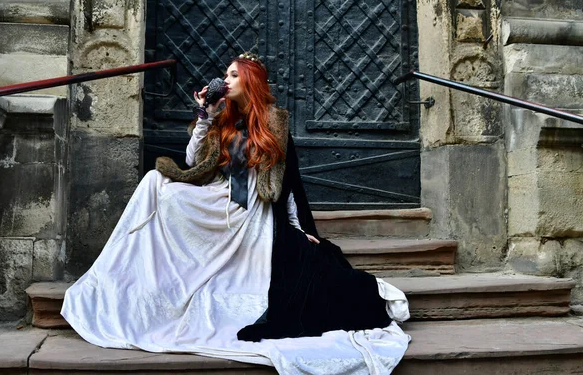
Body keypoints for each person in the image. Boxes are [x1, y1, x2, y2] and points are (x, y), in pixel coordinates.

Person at [61, 52, 411, 374]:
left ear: (250, 80)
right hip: (217, 198)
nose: (225, 80)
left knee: (312, 269)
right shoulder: (221, 119)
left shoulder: (274, 122)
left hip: (250, 211)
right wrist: (205, 115)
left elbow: (288, 181)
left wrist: (296, 226)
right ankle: (127, 276)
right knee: (155, 183)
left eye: (233, 75)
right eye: (225, 74)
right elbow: (192, 162)